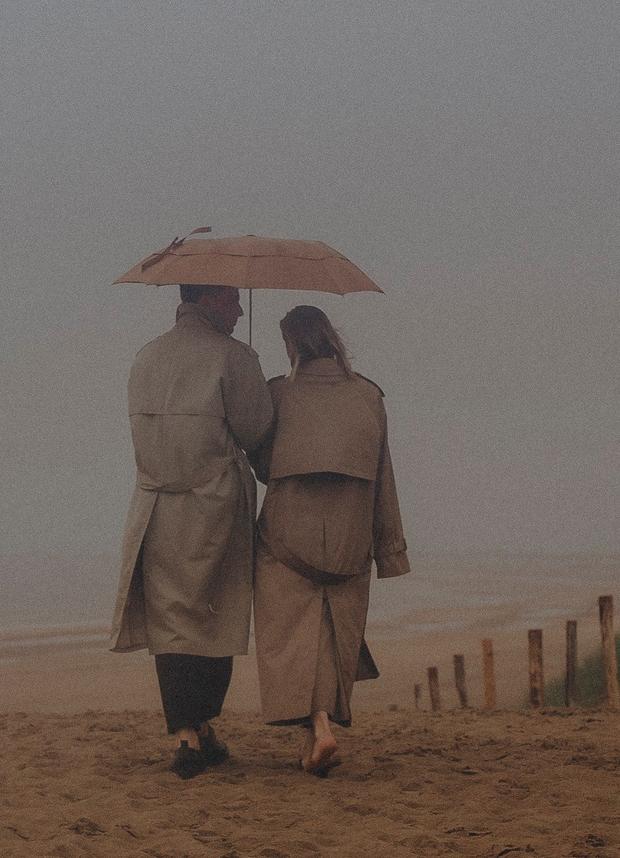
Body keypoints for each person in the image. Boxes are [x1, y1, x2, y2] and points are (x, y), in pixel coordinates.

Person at [110, 283, 275, 777]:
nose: (239, 308)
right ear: (204, 299)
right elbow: (256, 431)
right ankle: (198, 725)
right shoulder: (234, 356)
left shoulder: (145, 356)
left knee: (172, 622)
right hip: (216, 503)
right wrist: (253, 373)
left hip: (156, 505)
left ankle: (190, 732)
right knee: (215, 615)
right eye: (230, 299)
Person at [250, 304, 408, 775]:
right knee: (330, 633)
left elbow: (262, 468)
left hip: (287, 539)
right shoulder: (369, 397)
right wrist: (389, 552)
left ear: (291, 345)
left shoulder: (278, 394)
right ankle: (315, 734)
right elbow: (384, 478)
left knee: (294, 633)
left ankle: (318, 728)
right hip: (349, 540)